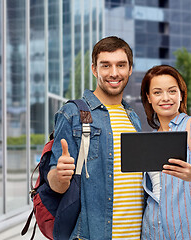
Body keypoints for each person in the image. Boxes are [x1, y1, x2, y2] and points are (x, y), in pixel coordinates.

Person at [48, 36, 144, 240]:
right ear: (94, 69)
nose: (114, 73)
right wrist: (60, 174)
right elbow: (55, 183)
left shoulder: (132, 118)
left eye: (121, 65)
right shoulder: (73, 113)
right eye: (106, 65)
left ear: (130, 69)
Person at [140, 65, 191, 240]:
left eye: (172, 91)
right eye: (157, 92)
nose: (165, 98)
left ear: (181, 94)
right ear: (148, 97)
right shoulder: (150, 140)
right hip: (153, 232)